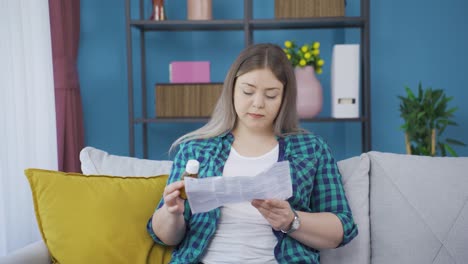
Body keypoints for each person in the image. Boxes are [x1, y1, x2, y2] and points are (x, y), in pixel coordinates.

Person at [147, 43, 358, 263]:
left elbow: (341, 228)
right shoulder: (197, 149)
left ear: (284, 98)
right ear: (232, 88)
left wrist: (291, 220)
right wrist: (172, 212)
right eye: (248, 91)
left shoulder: (311, 148)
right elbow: (166, 237)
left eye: (271, 95)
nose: (257, 103)